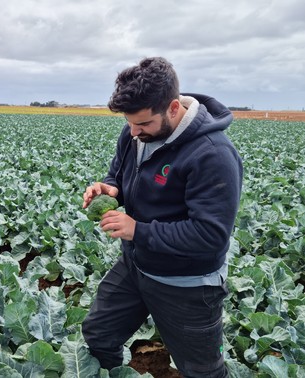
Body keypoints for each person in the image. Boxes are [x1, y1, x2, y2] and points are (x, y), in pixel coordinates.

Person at [81, 57, 242, 377]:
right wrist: (111, 190)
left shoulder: (213, 154)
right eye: (129, 123)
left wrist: (137, 230)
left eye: (142, 124)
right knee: (98, 336)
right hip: (136, 264)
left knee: (203, 369)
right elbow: (119, 175)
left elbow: (210, 235)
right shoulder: (133, 135)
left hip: (189, 284)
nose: (133, 132)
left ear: (172, 108)